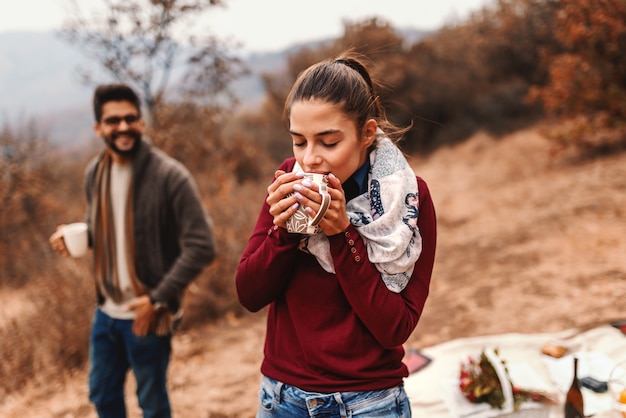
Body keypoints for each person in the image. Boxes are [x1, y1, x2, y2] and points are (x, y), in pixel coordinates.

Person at [236, 51, 437, 417]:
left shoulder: (406, 200)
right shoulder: (288, 179)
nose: (310, 159)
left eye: (328, 142)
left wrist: (344, 234)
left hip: (369, 403)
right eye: (299, 141)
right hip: (283, 398)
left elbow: (395, 327)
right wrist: (283, 233)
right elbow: (249, 293)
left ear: (367, 133)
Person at [49, 83, 216, 418]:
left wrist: (158, 298)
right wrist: (76, 238)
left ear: (141, 123)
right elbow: (102, 229)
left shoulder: (170, 176)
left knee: (152, 404)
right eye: (113, 120)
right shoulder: (95, 173)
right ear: (98, 128)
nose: (123, 126)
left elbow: (202, 245)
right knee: (102, 396)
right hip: (105, 313)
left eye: (131, 118)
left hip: (148, 316)